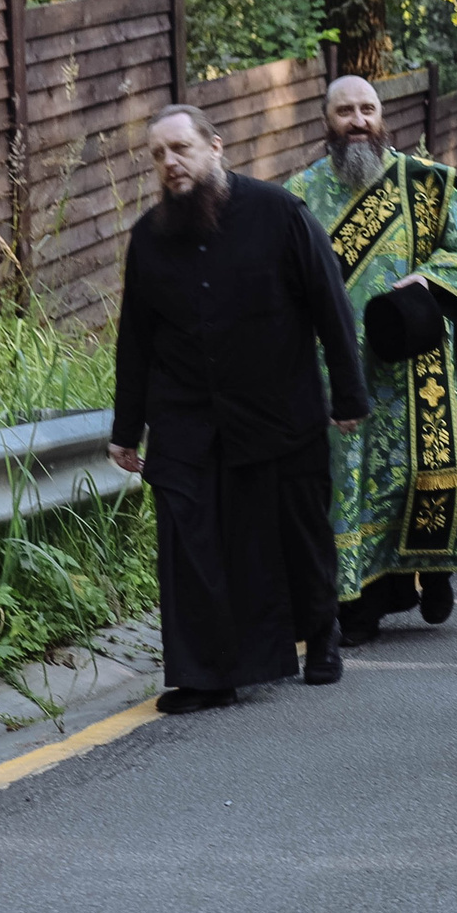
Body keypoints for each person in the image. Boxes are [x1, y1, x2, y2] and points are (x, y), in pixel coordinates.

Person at [109, 106, 368, 713]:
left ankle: (321, 635)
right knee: (191, 544)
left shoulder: (280, 213)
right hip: (187, 419)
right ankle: (209, 675)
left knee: (298, 536)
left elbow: (330, 305)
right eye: (158, 154)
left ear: (215, 147)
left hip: (278, 410)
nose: (170, 162)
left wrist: (349, 396)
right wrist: (126, 426)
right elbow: (135, 338)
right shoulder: (149, 237)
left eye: (180, 148)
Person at [286, 76, 457, 644]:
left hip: (415, 367)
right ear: (326, 120)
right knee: (353, 488)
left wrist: (429, 278)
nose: (357, 120)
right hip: (340, 372)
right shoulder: (299, 195)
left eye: (367, 109)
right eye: (344, 110)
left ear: (381, 115)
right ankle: (361, 605)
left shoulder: (427, 183)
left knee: (427, 475)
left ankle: (435, 570)